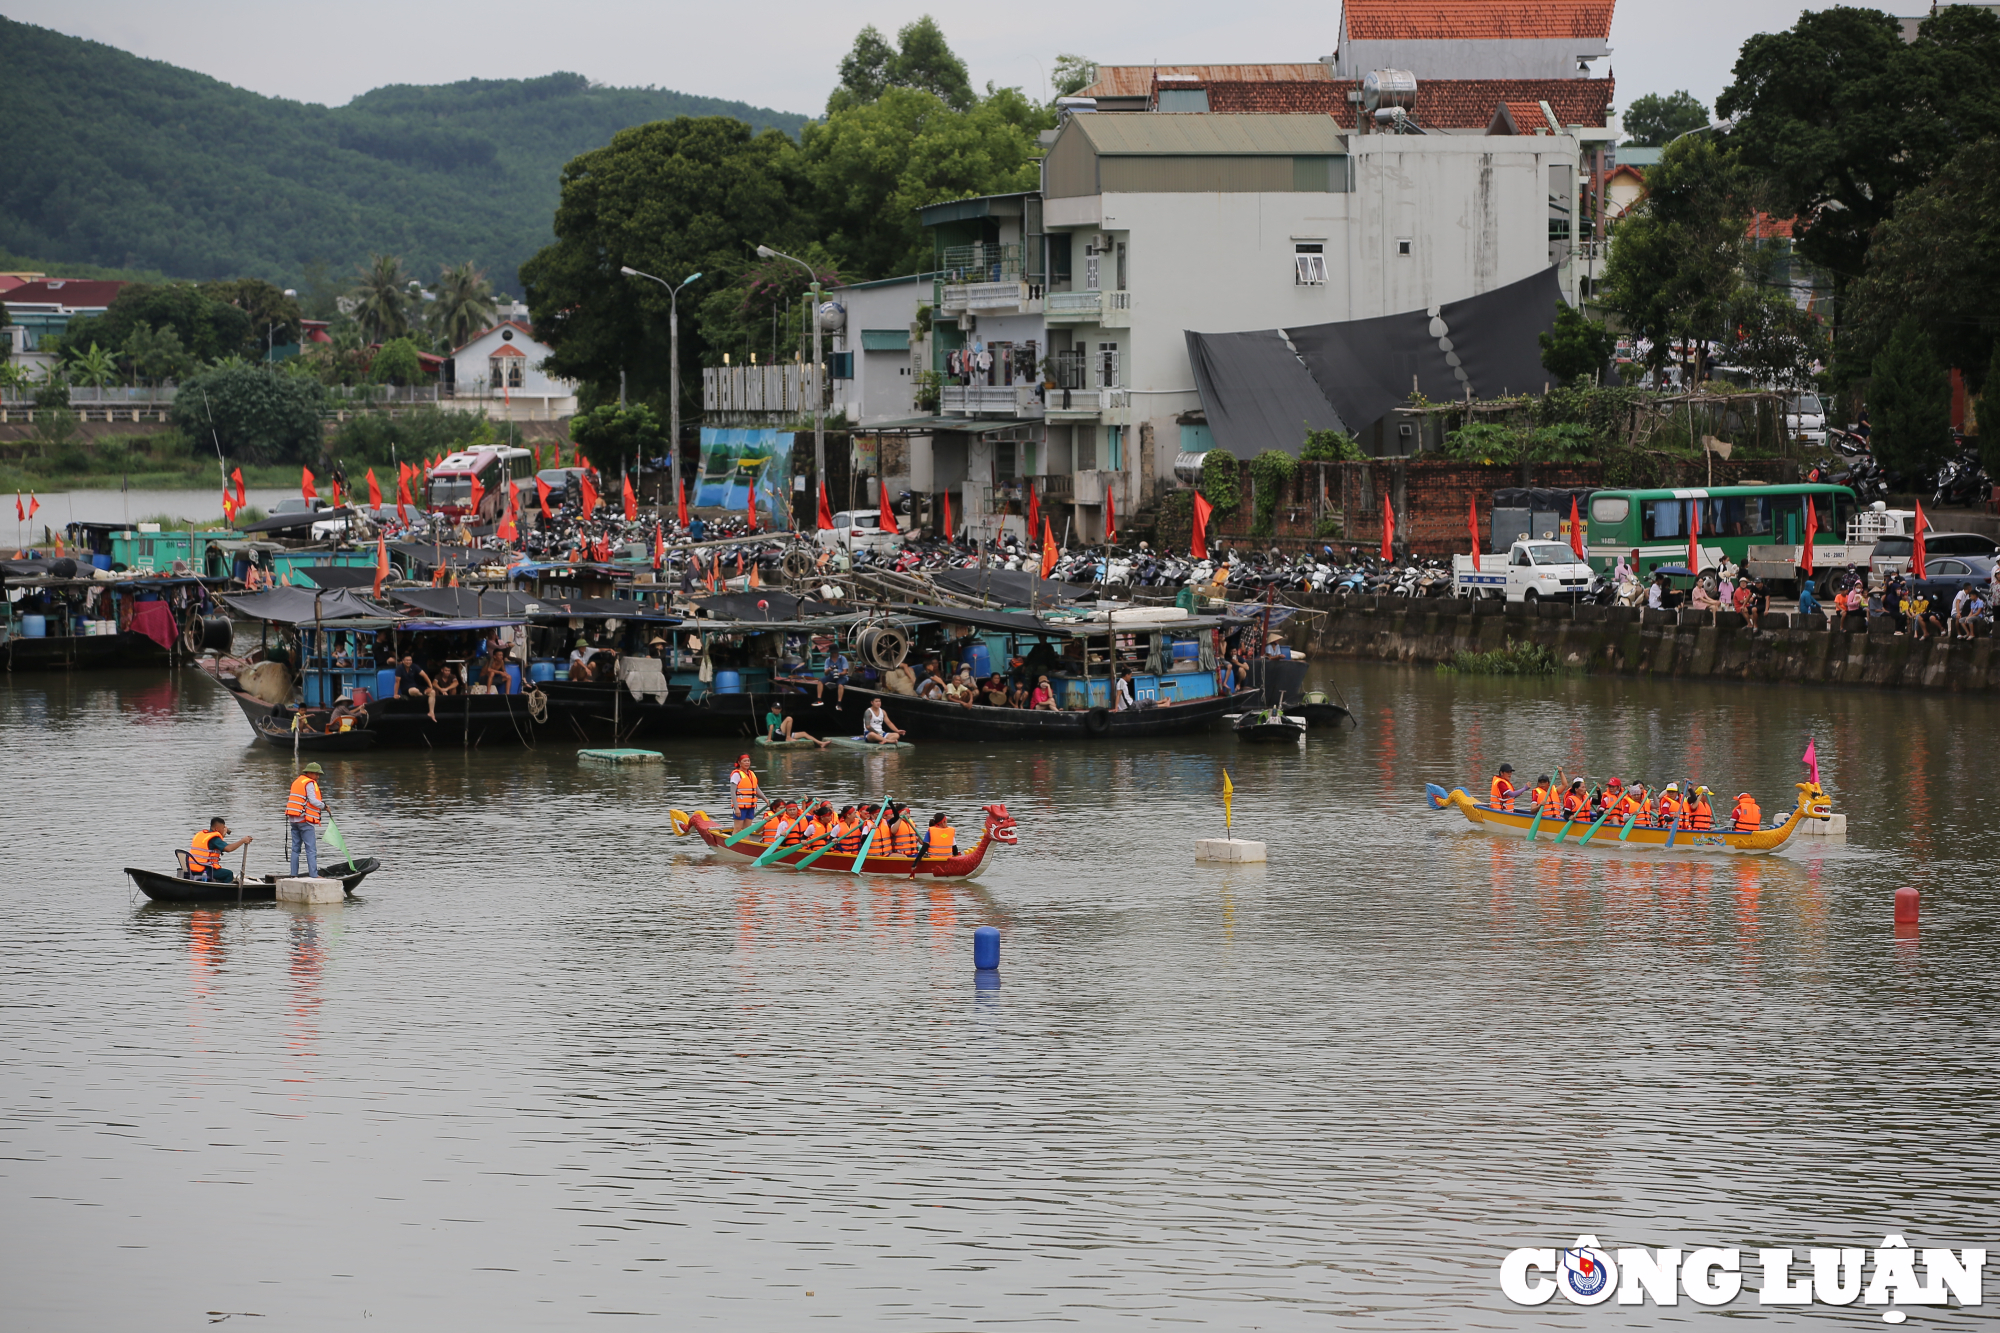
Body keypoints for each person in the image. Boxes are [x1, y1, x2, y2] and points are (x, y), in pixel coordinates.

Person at [285, 761, 327, 878]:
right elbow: (313, 800)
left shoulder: (297, 781)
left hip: (293, 820)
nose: (317, 777)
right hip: (304, 820)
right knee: (311, 849)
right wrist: (324, 806)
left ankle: (293, 875)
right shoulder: (309, 783)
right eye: (316, 774)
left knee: (295, 849)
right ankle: (314, 875)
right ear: (309, 773)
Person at [187, 817, 252, 882]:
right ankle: (223, 891)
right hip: (205, 870)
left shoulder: (201, 835)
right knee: (229, 874)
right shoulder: (214, 838)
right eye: (223, 828)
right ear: (217, 829)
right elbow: (228, 848)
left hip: (192, 869)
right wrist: (243, 840)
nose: (224, 829)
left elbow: (213, 847)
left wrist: (222, 836)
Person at [764, 701, 829, 748]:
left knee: (804, 733)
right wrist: (769, 738)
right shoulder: (770, 714)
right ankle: (788, 738)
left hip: (781, 734)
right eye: (776, 708)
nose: (777, 710)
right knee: (789, 718)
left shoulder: (779, 715)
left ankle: (820, 743)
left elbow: (781, 727)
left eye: (779, 709)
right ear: (772, 708)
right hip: (776, 734)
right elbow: (771, 726)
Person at [728, 754, 762, 831]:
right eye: (745, 761)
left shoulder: (751, 774)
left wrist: (766, 800)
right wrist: (736, 808)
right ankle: (735, 842)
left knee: (747, 829)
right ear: (739, 763)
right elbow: (732, 792)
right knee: (738, 828)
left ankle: (746, 842)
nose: (747, 763)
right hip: (740, 807)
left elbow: (757, 789)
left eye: (748, 761)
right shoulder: (736, 774)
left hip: (751, 806)